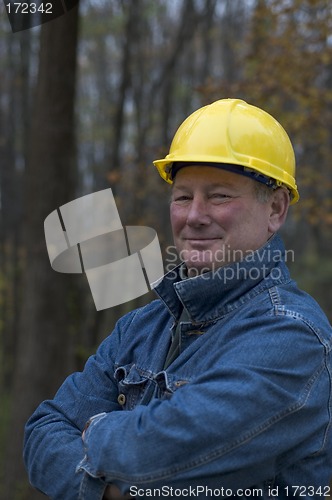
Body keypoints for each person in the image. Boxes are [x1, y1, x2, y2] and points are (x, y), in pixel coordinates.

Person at [24, 98, 332, 500]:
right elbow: (42, 432)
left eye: (219, 196)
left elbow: (152, 457)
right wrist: (107, 492)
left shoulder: (292, 337)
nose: (194, 216)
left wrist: (94, 430)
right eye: (183, 197)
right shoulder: (140, 328)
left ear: (275, 209)